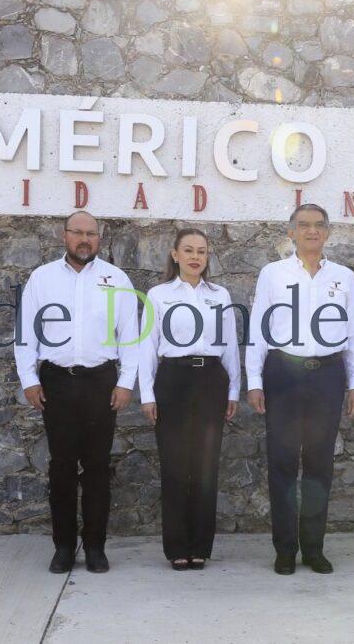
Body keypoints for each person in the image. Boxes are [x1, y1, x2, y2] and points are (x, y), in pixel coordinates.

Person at [14, 210, 139, 574]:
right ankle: (64, 547)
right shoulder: (42, 279)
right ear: (64, 235)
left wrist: (125, 381)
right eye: (78, 232)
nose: (85, 239)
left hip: (102, 383)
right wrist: (29, 379)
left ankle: (96, 546)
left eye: (91, 234)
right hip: (57, 383)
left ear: (99, 239)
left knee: (98, 469)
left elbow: (129, 334)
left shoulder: (116, 278)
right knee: (62, 469)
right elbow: (26, 331)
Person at [246, 203, 354, 575]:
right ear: (291, 232)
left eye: (318, 225)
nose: (311, 231)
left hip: (327, 376)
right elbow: (257, 329)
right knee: (282, 464)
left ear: (327, 232)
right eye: (304, 225)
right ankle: (285, 550)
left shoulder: (343, 277)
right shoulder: (273, 274)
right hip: (283, 373)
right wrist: (253, 381)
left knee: (319, 466)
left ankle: (313, 548)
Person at [138, 229, 240, 571]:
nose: (196, 256)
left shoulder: (219, 295)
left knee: (206, 467)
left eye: (202, 251)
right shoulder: (158, 295)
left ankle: (200, 546)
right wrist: (147, 393)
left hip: (211, 379)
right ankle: (177, 547)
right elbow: (147, 346)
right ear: (175, 254)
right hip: (173, 380)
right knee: (175, 465)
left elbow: (230, 346)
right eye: (189, 250)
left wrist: (234, 389)